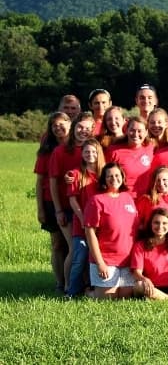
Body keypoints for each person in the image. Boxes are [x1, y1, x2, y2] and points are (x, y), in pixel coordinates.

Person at [84, 162, 138, 299]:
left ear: (122, 177)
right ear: (104, 179)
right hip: (106, 259)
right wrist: (100, 263)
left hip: (127, 261)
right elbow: (90, 233)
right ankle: (88, 292)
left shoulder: (128, 198)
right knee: (108, 299)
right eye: (109, 176)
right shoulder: (96, 201)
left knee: (126, 296)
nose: (114, 179)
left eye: (117, 175)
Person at [35, 112, 71, 293]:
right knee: (57, 243)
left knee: (73, 244)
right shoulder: (46, 151)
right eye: (54, 126)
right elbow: (39, 181)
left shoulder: (77, 146)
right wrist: (40, 208)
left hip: (73, 201)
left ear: (70, 124)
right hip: (51, 202)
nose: (58, 128)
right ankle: (59, 282)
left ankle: (73, 282)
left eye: (61, 124)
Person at [65, 139, 105, 297]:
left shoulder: (103, 175)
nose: (90, 155)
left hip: (100, 225)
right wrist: (83, 219)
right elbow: (72, 199)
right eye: (87, 152)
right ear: (82, 154)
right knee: (79, 258)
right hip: (80, 225)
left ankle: (93, 288)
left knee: (96, 258)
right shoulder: (76, 174)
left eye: (94, 152)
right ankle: (72, 291)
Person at [50, 113, 94, 251]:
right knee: (75, 249)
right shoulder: (60, 151)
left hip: (89, 208)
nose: (83, 131)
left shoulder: (94, 151)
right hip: (67, 208)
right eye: (80, 127)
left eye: (88, 128)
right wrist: (58, 211)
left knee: (88, 249)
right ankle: (69, 274)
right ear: (73, 128)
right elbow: (53, 182)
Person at [107, 116, 154, 197]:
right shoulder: (114, 151)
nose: (136, 134)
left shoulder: (151, 147)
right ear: (126, 131)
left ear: (146, 132)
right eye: (132, 130)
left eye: (140, 131)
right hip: (123, 198)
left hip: (145, 199)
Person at [136, 165, 168, 230]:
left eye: (164, 180)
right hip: (152, 239)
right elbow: (137, 223)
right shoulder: (147, 199)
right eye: (158, 180)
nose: (161, 183)